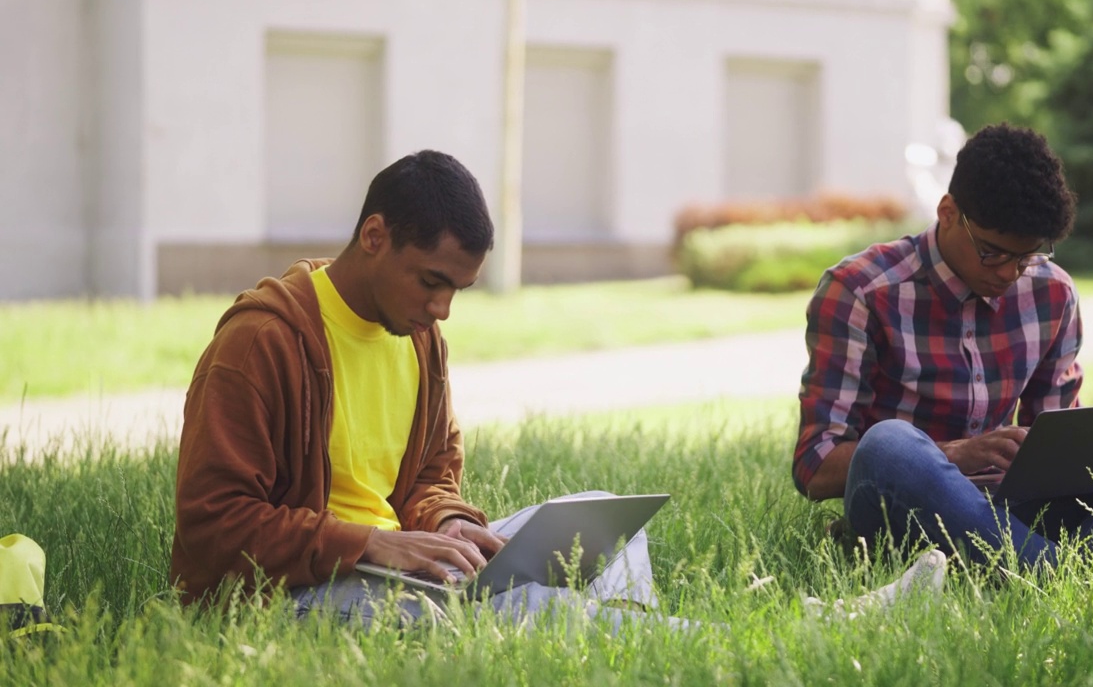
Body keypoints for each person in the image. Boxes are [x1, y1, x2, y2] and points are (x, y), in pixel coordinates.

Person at [170, 149, 941, 629]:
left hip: (395, 560)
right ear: (375, 237)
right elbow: (212, 527)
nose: (442, 310)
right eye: (432, 281)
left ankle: (623, 638)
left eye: (458, 291)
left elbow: (432, 474)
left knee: (599, 526)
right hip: (296, 594)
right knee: (525, 603)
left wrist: (449, 523)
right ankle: (775, 633)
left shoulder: (417, 334)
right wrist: (372, 543)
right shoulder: (263, 341)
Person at [792, 123, 1093, 568]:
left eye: (1028, 256)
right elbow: (816, 466)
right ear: (948, 212)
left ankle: (1063, 563)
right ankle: (1067, 571)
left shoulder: (1052, 293)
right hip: (906, 509)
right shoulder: (858, 291)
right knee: (889, 445)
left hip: (1018, 511)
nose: (1010, 273)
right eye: (992, 252)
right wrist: (955, 453)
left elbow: (1059, 446)